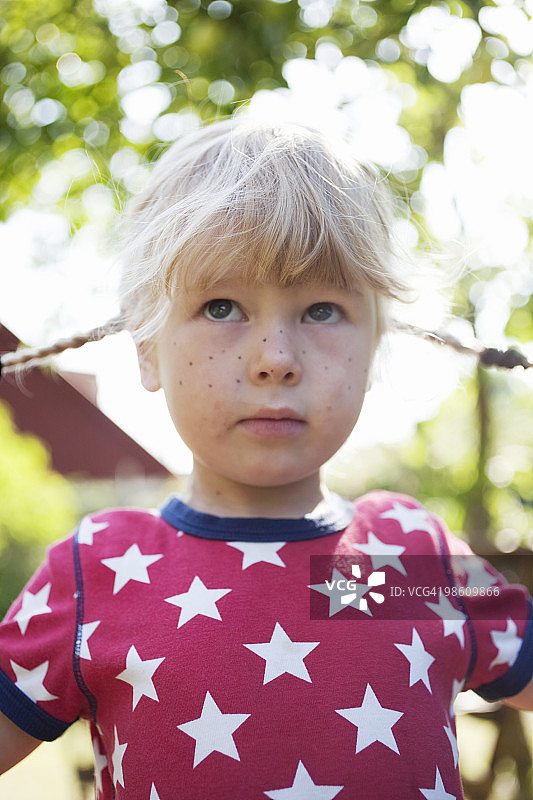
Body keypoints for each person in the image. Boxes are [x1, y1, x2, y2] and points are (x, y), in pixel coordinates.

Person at [0, 117, 532, 800]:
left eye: (320, 310)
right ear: (145, 346)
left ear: (376, 345)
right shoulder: (100, 573)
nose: (275, 360)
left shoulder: (403, 566)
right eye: (221, 306)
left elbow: (336, 597)